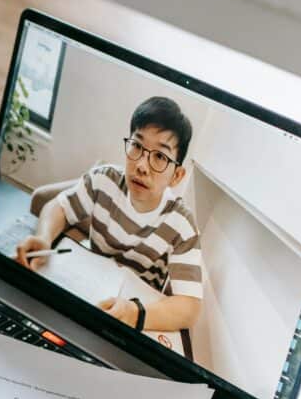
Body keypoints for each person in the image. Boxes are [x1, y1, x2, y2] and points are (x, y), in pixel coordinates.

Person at [15, 97, 203, 332]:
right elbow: (59, 206)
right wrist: (43, 237)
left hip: (128, 319)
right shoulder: (103, 180)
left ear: (177, 175)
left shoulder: (182, 224)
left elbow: (189, 308)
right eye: (137, 145)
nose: (142, 165)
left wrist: (135, 314)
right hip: (85, 295)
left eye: (160, 157)